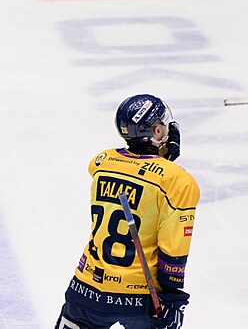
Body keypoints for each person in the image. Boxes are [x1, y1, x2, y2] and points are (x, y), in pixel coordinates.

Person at [55, 94, 200, 329]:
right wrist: (173, 297)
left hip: (85, 288)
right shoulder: (178, 182)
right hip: (138, 297)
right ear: (157, 132)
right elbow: (174, 249)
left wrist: (158, 161)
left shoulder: (102, 162)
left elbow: (132, 173)